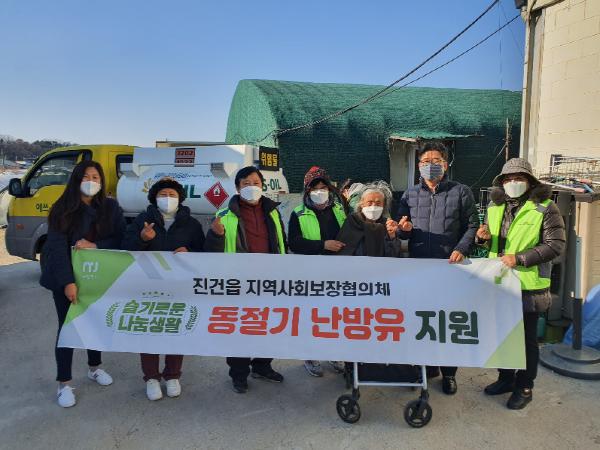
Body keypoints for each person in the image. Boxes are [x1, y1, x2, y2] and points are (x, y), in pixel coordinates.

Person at [477, 158, 565, 410]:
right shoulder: (495, 207)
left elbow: (555, 245)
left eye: (519, 178)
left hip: (528, 285)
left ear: (530, 182)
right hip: (499, 282)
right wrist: (482, 239)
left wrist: (520, 258)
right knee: (502, 335)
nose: (513, 182)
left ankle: (525, 387)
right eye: (508, 179)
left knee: (526, 340)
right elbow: (494, 242)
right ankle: (506, 378)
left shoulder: (545, 208)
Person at [395, 142, 479, 395]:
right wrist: (403, 230)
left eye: (436, 161)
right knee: (422, 320)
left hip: (450, 268)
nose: (430, 165)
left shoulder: (461, 192)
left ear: (445, 164)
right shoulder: (409, 195)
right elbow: (401, 230)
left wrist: (462, 248)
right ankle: (424, 368)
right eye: (425, 161)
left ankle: (449, 373)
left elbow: (472, 225)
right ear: (418, 166)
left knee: (447, 322)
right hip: (420, 269)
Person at [40, 160, 125, 408]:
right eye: (86, 177)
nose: (91, 182)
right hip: (65, 279)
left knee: (94, 323)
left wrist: (96, 245)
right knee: (67, 328)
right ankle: (64, 383)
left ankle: (94, 367)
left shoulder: (110, 207)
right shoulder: (62, 209)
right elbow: (56, 249)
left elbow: (121, 238)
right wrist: (67, 282)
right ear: (76, 180)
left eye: (95, 178)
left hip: (97, 278)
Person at [204, 166, 287, 394]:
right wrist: (215, 235)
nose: (252, 187)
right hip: (238, 283)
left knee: (269, 325)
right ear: (237, 188)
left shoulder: (273, 212)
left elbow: (281, 243)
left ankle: (262, 366)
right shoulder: (224, 215)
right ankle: (239, 374)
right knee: (240, 329)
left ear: (262, 186)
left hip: (270, 280)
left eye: (256, 183)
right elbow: (210, 254)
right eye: (246, 184)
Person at [122, 177, 205, 401]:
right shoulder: (142, 220)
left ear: (180, 199)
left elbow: (204, 253)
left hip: (179, 286)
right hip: (148, 285)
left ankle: (172, 375)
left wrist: (190, 253)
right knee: (149, 328)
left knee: (176, 327)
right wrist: (142, 239)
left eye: (172, 195)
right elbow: (125, 249)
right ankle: (151, 377)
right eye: (162, 195)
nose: (167, 199)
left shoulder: (192, 224)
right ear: (154, 198)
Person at [288, 166, 347, 377]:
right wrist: (323, 245)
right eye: (315, 188)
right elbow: (294, 243)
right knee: (312, 317)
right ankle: (310, 356)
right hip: (310, 274)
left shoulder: (339, 210)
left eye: (324, 187)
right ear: (307, 191)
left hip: (337, 273)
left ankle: (333, 353)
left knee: (334, 316)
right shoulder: (298, 213)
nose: (320, 191)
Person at [336, 181, 400, 257]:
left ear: (383, 206)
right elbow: (342, 250)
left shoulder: (387, 225)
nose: (373, 206)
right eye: (369, 202)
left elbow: (393, 255)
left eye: (378, 203)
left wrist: (392, 236)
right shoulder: (352, 221)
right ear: (362, 204)